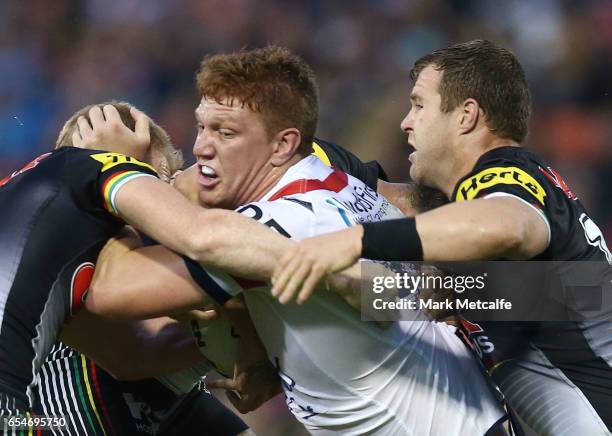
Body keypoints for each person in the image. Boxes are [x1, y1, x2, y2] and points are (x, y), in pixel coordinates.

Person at [83, 46, 507, 435]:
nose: (202, 149)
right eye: (201, 127)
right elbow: (388, 295)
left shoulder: (276, 224)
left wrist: (111, 170)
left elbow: (111, 291)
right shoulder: (330, 180)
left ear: (282, 144)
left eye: (226, 133)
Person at [271, 39, 612, 435]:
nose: (406, 122)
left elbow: (507, 226)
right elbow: (411, 289)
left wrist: (354, 241)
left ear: (466, 115)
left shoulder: (506, 174)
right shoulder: (505, 272)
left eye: (418, 104)